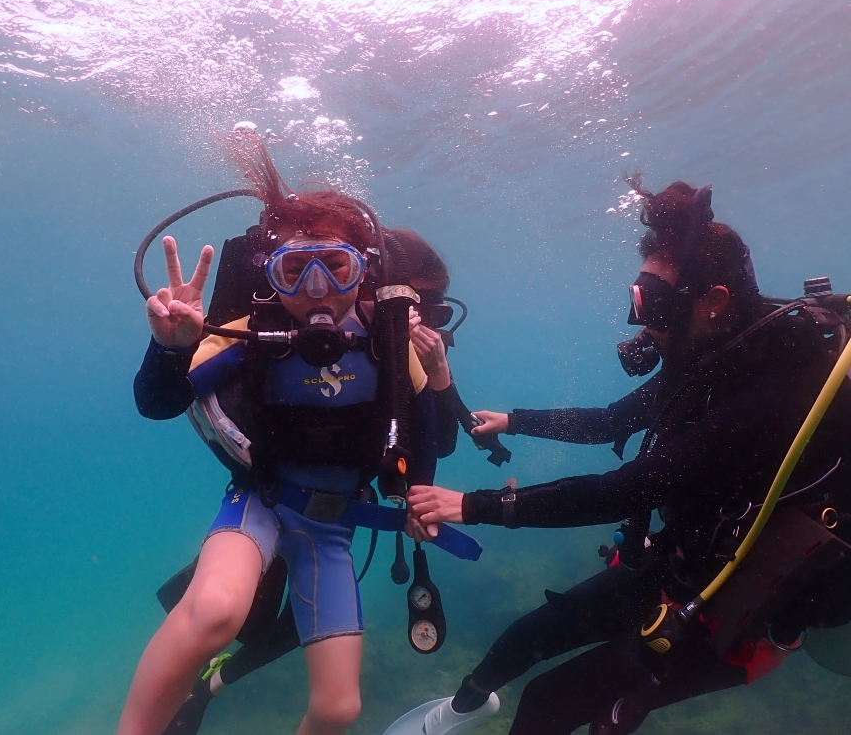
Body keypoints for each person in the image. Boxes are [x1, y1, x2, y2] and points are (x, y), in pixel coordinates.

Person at [403, 179, 851, 735]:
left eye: (656, 305)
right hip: (687, 560)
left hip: (745, 603)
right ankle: (458, 712)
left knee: (549, 703)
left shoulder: (772, 391)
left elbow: (628, 489)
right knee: (525, 637)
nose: (642, 322)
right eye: (640, 299)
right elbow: (614, 420)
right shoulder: (711, 357)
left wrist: (472, 505)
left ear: (713, 302)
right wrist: (516, 420)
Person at [118, 131, 480, 735]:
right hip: (261, 500)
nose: (316, 289)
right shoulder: (251, 332)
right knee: (213, 612)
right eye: (295, 270)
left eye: (335, 267)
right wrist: (170, 349)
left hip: (333, 528)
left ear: (365, 272)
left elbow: (426, 433)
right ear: (272, 274)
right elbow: (158, 403)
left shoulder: (391, 346)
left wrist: (421, 492)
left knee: (339, 708)